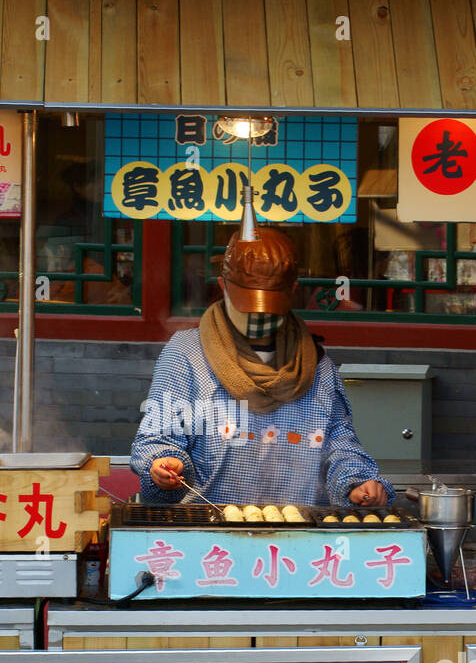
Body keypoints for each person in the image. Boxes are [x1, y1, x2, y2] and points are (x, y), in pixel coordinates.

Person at [130, 213, 392, 507]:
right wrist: (164, 463)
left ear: (292, 292)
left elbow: (339, 445)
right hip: (207, 529)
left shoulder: (316, 365)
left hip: (296, 532)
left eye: (269, 308)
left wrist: (356, 482)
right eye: (247, 307)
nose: (257, 319)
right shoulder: (188, 354)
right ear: (224, 287)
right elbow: (159, 436)